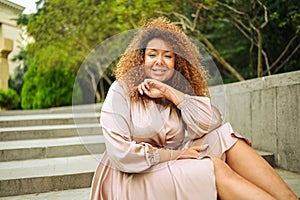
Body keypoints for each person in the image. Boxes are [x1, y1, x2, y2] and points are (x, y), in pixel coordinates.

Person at [90, 17, 297, 200]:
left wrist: (172, 94)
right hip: (131, 178)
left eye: (168, 56)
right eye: (152, 54)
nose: (159, 61)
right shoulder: (121, 90)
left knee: (225, 136)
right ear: (141, 59)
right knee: (213, 167)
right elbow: (121, 155)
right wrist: (175, 156)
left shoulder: (173, 91)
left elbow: (212, 123)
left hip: (169, 163)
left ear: (177, 63)